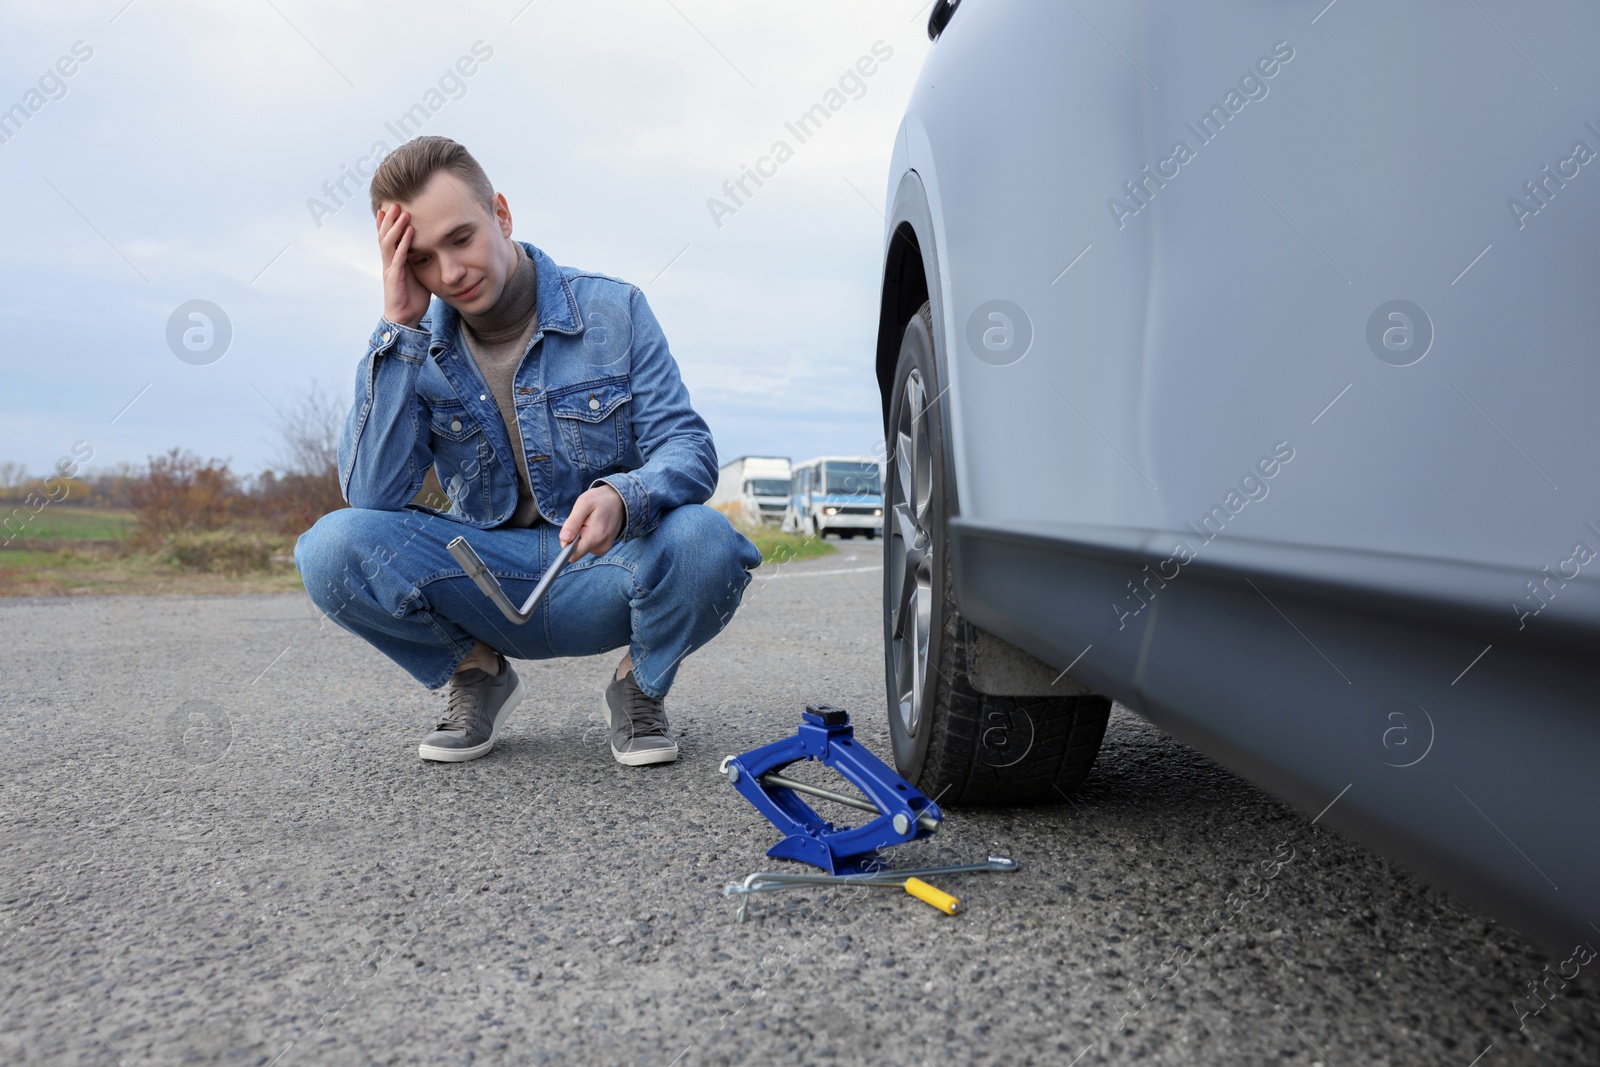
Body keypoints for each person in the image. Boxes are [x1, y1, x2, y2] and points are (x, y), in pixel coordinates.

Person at [294, 135, 762, 766]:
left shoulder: (615, 309)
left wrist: (624, 497)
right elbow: (371, 496)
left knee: (708, 541)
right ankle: (475, 672)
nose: (451, 273)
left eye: (461, 238)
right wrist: (399, 328)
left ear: (502, 214)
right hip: (485, 578)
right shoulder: (412, 348)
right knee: (329, 547)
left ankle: (639, 687)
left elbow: (688, 446)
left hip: (605, 568)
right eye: (424, 260)